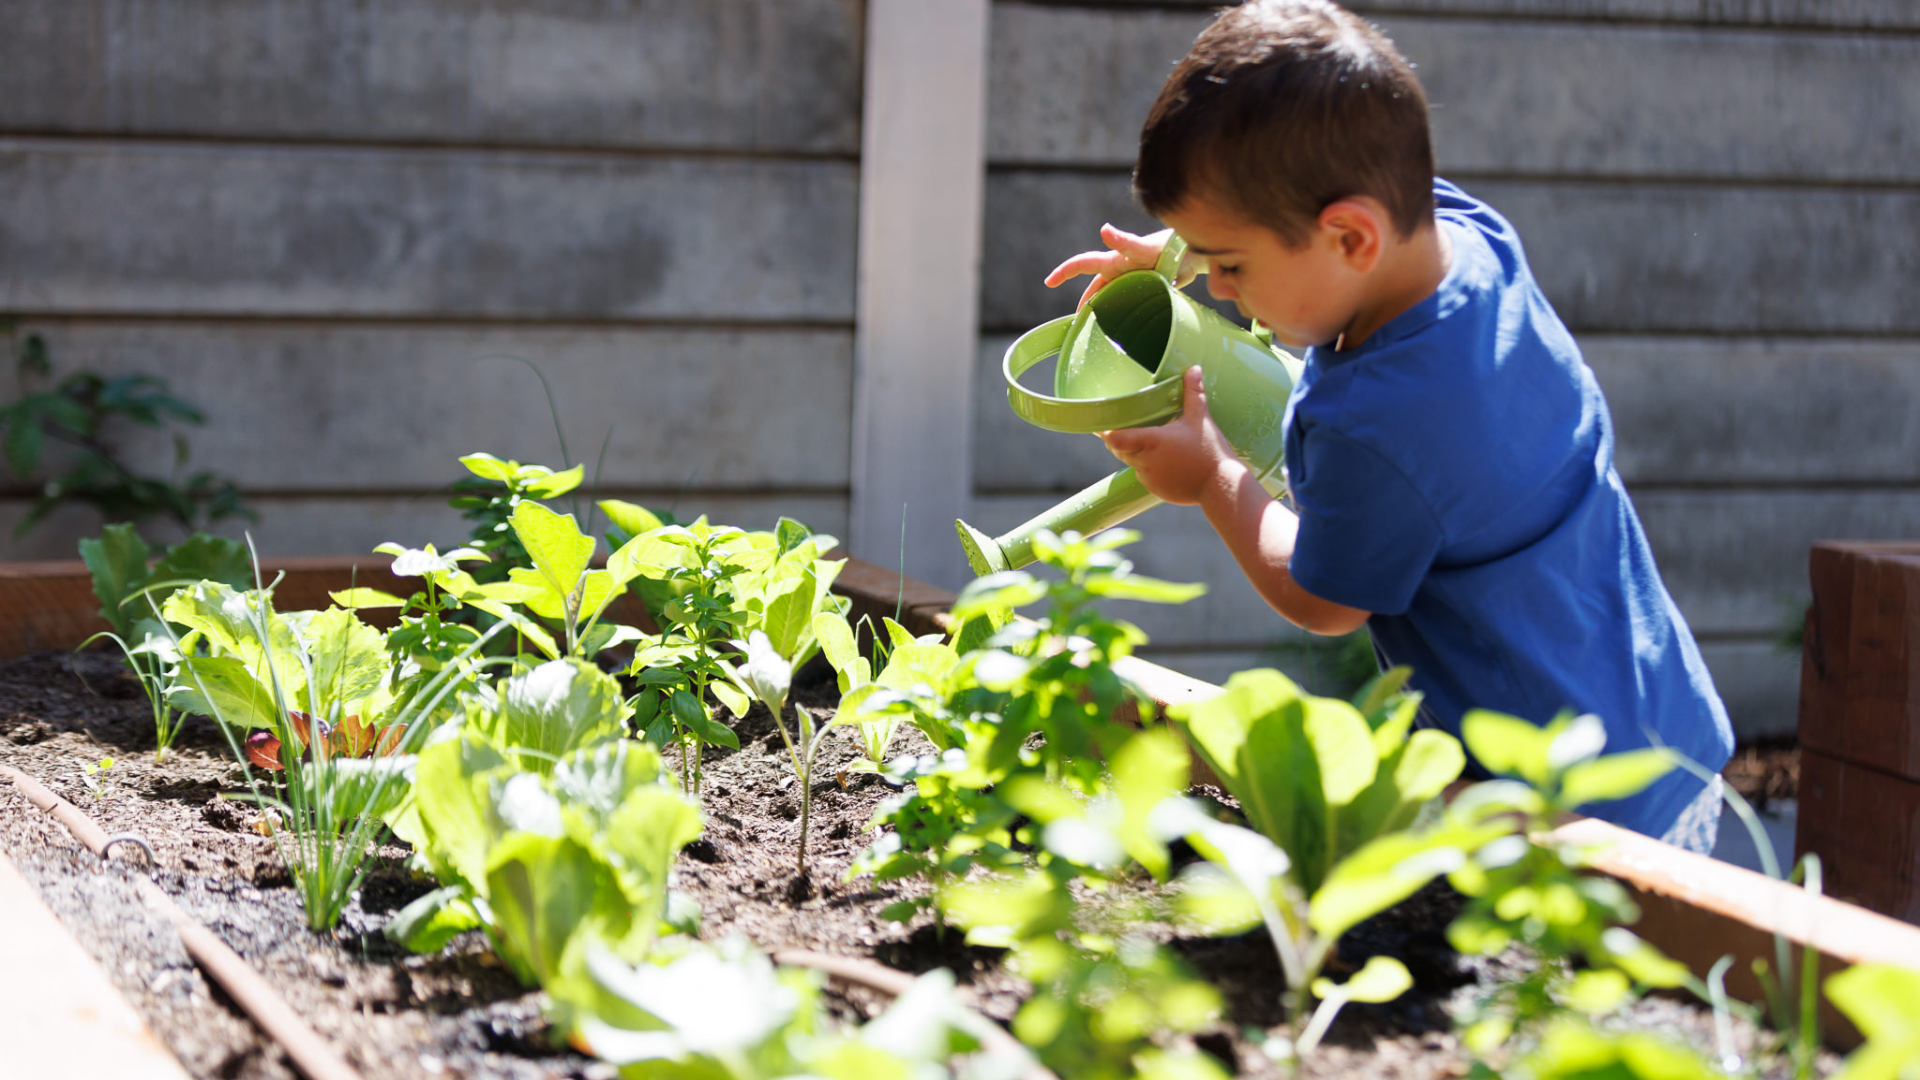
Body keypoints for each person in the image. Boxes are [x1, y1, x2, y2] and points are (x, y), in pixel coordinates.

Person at [1044, 0, 1732, 850]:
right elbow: (1333, 201)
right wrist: (1182, 250)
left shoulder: (1373, 420)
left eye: (1229, 264)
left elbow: (1323, 597)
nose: (1216, 290)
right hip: (1664, 716)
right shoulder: (1467, 238)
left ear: (1350, 239)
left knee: (1565, 975)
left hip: (1567, 807)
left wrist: (1214, 479)